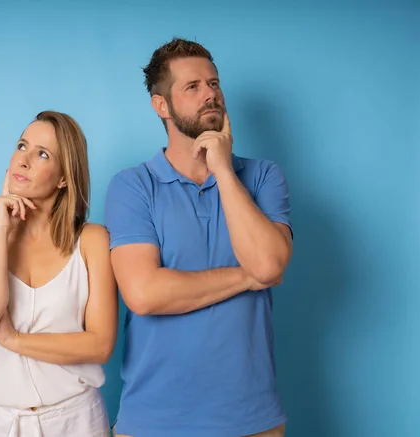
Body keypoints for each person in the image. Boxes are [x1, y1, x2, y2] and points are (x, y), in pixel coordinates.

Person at [104, 39, 294, 437]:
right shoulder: (133, 186)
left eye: (214, 83)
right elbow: (144, 293)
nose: (211, 93)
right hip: (154, 422)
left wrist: (224, 172)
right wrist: (247, 277)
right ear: (161, 106)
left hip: (253, 421)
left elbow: (270, 265)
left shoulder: (262, 177)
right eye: (193, 87)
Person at [0, 110, 117, 437]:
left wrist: (13, 340)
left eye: (42, 154)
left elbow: (100, 345)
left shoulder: (91, 241)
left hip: (77, 421)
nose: (24, 160)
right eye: (22, 146)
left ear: (63, 177)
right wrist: (1, 229)